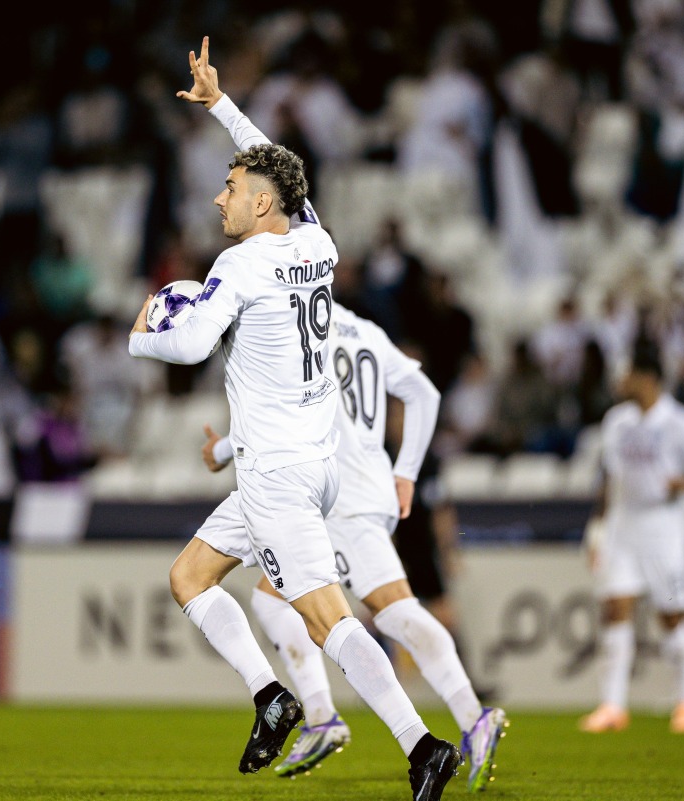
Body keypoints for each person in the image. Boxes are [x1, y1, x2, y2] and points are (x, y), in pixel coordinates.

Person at [128, 38, 460, 800]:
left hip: (279, 472)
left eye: (231, 187)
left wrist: (141, 328)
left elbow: (190, 345)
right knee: (191, 576)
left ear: (260, 204)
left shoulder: (240, 265)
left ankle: (422, 745)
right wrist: (222, 109)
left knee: (329, 622)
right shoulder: (316, 241)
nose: (221, 198)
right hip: (310, 464)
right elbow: (279, 167)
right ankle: (269, 695)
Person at [203, 301, 507, 791]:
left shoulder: (302, 325)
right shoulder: (368, 332)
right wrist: (405, 470)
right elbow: (425, 393)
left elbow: (285, 407)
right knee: (389, 608)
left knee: (285, 599)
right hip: (373, 487)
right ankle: (473, 718)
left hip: (334, 491)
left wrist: (221, 450)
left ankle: (325, 716)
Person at [580, 343, 684, 735]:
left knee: (671, 613)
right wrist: (598, 529)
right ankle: (612, 706)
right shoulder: (616, 422)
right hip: (623, 524)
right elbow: (608, 477)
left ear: (649, 377)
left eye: (629, 374)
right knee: (615, 607)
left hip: (662, 527)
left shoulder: (682, 423)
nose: (622, 381)